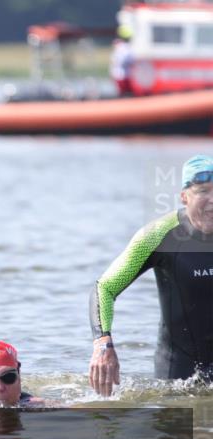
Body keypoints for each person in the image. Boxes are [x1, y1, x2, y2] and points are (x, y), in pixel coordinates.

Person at [89, 155, 213, 395]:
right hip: (179, 377)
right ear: (184, 196)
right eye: (203, 191)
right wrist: (103, 345)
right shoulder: (159, 236)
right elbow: (105, 288)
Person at [110, 24, 134, 96]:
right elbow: (125, 60)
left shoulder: (119, 46)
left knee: (124, 93)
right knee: (125, 94)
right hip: (122, 75)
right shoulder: (123, 48)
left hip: (121, 74)